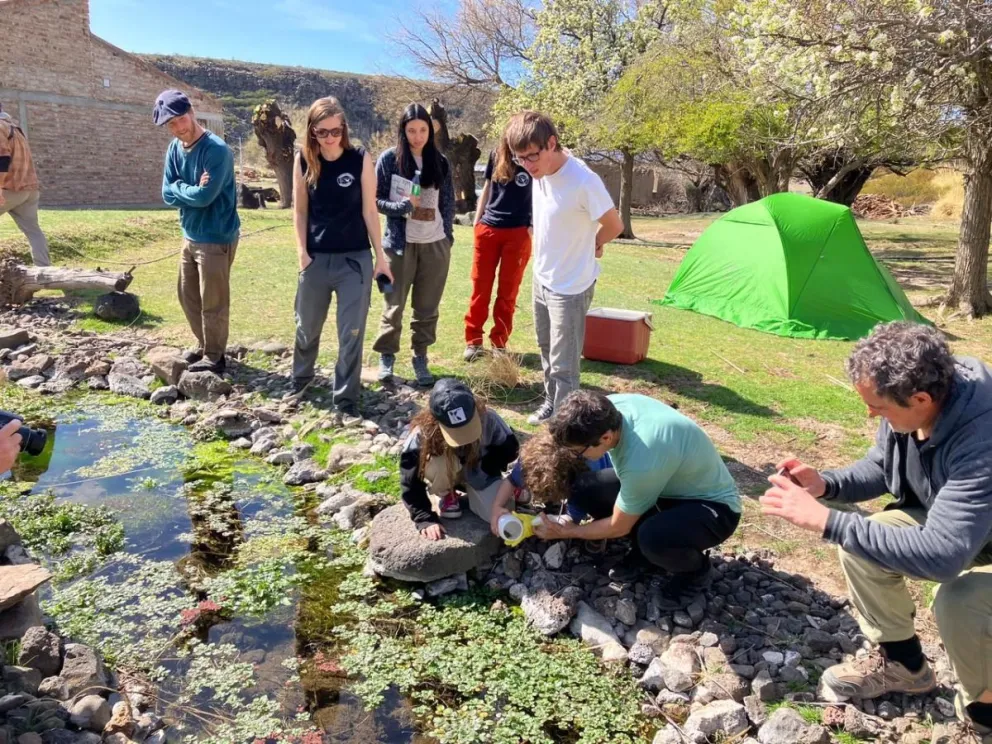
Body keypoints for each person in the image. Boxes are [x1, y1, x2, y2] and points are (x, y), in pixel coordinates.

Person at [760, 321, 992, 736]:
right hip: (970, 525)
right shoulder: (921, 398)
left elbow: (943, 556)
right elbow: (884, 466)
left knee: (962, 601)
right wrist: (826, 484)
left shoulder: (983, 437)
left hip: (970, 535)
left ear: (920, 398)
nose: (870, 414)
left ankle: (986, 714)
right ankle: (905, 665)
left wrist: (827, 520)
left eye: (878, 408)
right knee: (863, 544)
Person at [541, 390, 741, 604]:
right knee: (584, 488)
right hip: (666, 487)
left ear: (606, 437)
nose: (575, 456)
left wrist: (573, 532)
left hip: (714, 508)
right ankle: (645, 553)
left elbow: (619, 526)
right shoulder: (607, 409)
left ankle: (694, 572)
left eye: (578, 451)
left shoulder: (642, 460)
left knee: (653, 538)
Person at [503, 112, 624, 425]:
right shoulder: (539, 173)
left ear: (551, 143)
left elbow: (614, 224)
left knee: (565, 365)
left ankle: (563, 427)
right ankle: (550, 403)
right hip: (542, 277)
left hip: (570, 286)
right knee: (546, 349)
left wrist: (596, 243)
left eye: (533, 156)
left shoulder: (584, 180)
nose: (528, 165)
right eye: (521, 159)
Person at [290, 97, 393, 414]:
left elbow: (370, 210)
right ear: (312, 132)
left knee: (351, 331)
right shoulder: (304, 160)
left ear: (343, 129)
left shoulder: (360, 158)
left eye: (336, 131)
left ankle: (346, 396)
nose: (330, 138)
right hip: (317, 259)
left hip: (354, 260)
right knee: (306, 326)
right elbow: (301, 211)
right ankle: (301, 379)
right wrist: (302, 254)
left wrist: (381, 258)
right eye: (323, 132)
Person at [156, 89, 240, 375]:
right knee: (187, 295)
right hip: (189, 234)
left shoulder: (216, 150)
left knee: (213, 301)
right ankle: (204, 344)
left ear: (191, 112)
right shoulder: (174, 149)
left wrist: (181, 188)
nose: (178, 128)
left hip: (216, 236)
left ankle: (215, 357)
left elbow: (206, 197)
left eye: (180, 119)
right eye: (171, 124)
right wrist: (186, 188)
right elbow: (167, 192)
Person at [372, 104, 455, 387]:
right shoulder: (388, 160)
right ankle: (387, 356)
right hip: (399, 245)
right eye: (411, 131)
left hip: (434, 245)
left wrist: (447, 238)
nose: (417, 136)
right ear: (403, 131)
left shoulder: (440, 161)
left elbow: (448, 202)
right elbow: (375, 201)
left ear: (430, 131)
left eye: (422, 130)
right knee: (393, 305)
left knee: (427, 308)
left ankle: (420, 356)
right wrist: (402, 207)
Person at [400, 378, 519, 540]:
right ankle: (446, 494)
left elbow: (510, 450)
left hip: (480, 472)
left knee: (497, 513)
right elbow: (409, 480)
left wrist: (487, 467)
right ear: (435, 419)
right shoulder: (422, 433)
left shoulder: (489, 418)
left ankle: (484, 488)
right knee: (437, 463)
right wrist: (424, 518)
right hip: (446, 474)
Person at [463, 135, 533, 362]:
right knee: (480, 289)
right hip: (489, 230)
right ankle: (473, 342)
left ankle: (499, 344)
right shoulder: (497, 153)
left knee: (508, 293)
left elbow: (541, 192)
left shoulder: (535, 156)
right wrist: (478, 219)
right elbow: (487, 187)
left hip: (519, 233)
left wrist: (532, 224)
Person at [489, 430, 615, 550]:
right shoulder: (532, 457)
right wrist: (497, 506)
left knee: (599, 504)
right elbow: (511, 480)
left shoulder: (583, 481)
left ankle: (601, 526)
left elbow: (572, 519)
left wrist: (549, 527)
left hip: (612, 485)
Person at [0, 103, 51, 266]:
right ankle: (44, 272)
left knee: (33, 231)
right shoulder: (15, 129)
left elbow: (2, 160)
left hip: (9, 189)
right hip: (29, 189)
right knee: (34, 232)